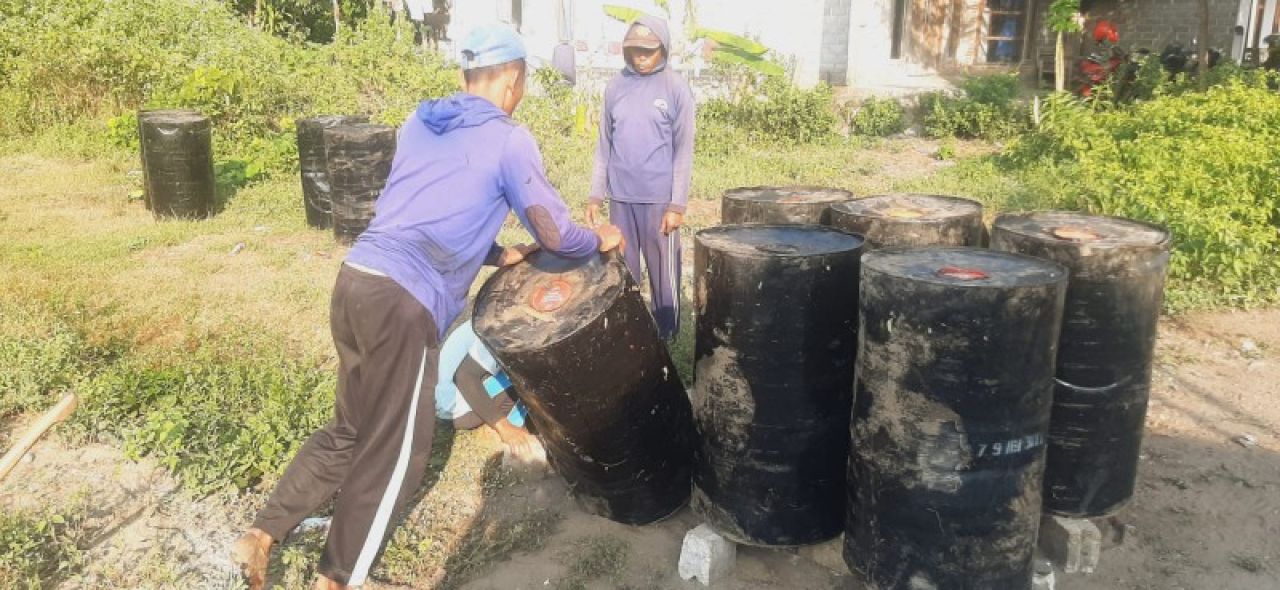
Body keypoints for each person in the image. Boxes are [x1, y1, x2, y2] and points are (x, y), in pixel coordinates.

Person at [231, 23, 622, 590]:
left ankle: (262, 534)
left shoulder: (421, 122)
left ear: (465, 76)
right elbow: (555, 231)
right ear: (513, 80)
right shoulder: (509, 139)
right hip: (402, 302)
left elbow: (423, 209)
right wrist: (599, 238)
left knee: (351, 428)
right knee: (395, 453)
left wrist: (495, 253)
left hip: (357, 280)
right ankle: (337, 578)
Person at [586, 16, 694, 341]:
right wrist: (596, 194)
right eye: (636, 50)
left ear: (663, 49)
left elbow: (683, 150)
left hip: (659, 200)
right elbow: (604, 145)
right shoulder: (615, 86)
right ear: (626, 51)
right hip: (621, 198)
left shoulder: (675, 88)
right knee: (623, 270)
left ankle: (668, 334)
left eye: (649, 51)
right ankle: (632, 333)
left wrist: (676, 205)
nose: (642, 57)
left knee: (663, 274)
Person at [434, 319, 540, 462]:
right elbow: (464, 376)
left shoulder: (502, 315)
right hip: (459, 404)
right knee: (531, 386)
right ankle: (515, 427)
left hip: (462, 382)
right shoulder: (502, 328)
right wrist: (505, 427)